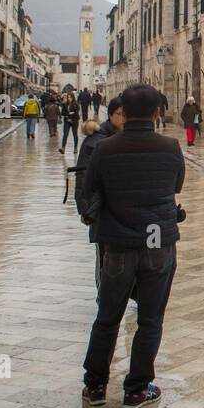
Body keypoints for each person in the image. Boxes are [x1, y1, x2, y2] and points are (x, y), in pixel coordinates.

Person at [80, 84, 184, 408]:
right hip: (157, 240)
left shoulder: (105, 149)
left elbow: (90, 188)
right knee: (150, 318)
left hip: (119, 242)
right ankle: (137, 390)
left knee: (108, 316)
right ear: (156, 112)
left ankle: (95, 386)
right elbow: (175, 184)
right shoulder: (170, 147)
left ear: (123, 111)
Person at [74, 96, 125, 288]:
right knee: (105, 257)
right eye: (120, 114)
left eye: (127, 115)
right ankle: (103, 299)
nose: (124, 119)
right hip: (102, 211)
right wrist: (86, 209)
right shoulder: (95, 141)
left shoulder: (128, 138)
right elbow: (82, 177)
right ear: (110, 115)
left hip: (123, 211)